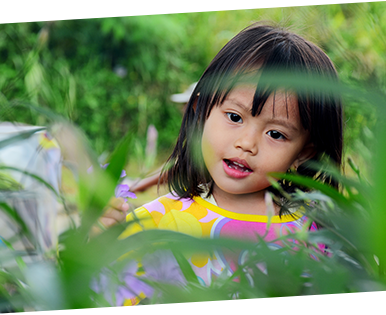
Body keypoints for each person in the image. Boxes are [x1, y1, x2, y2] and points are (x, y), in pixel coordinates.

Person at [99, 21, 343, 309]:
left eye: (275, 134)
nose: (247, 143)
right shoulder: (157, 223)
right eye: (234, 117)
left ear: (304, 152)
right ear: (200, 112)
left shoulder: (315, 235)